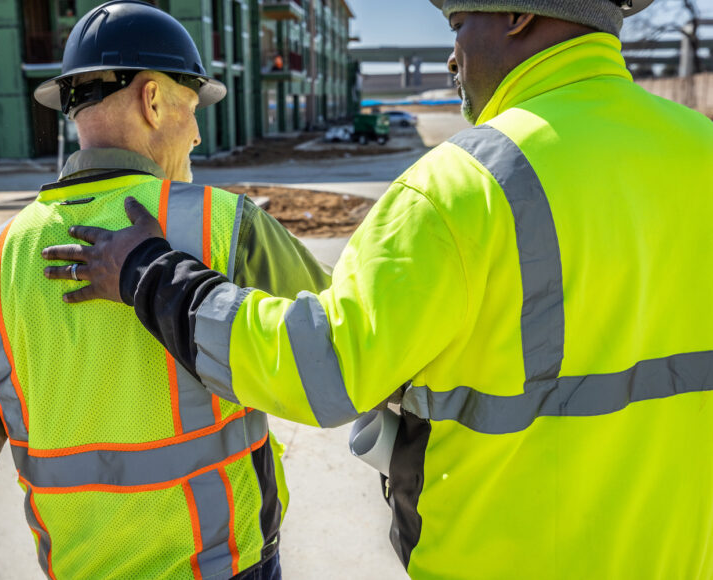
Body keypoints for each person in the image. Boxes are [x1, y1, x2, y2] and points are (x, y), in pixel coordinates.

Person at [41, 0, 713, 577]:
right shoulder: (700, 149)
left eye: (461, 26)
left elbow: (324, 368)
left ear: (518, 15)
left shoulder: (463, 185)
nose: (452, 59)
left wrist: (149, 274)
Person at [0, 2, 329, 579]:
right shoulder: (224, 226)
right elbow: (347, 343)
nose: (199, 134)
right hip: (221, 565)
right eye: (191, 105)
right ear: (153, 100)